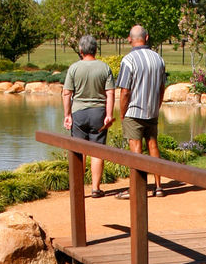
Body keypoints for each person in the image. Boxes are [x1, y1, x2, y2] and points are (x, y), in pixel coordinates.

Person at [115, 25, 168, 199]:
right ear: (147, 37)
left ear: (130, 39)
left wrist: (122, 113)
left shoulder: (128, 60)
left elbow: (125, 91)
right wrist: (157, 106)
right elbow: (161, 88)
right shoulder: (158, 59)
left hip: (134, 111)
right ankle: (159, 186)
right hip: (152, 110)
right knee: (153, 146)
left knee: (135, 150)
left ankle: (137, 189)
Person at [62, 34, 115, 198]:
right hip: (98, 112)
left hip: (79, 113)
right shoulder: (104, 67)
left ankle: (78, 189)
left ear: (80, 50)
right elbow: (111, 93)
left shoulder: (74, 68)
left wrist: (67, 115)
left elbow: (66, 93)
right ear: (96, 49)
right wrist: (109, 114)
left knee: (79, 151)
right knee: (97, 151)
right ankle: (95, 188)